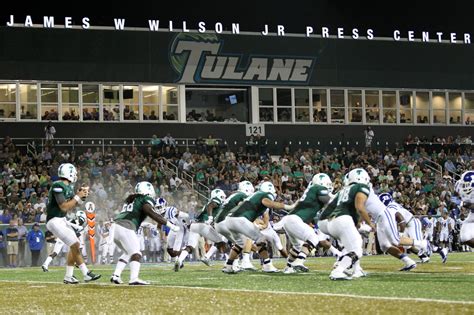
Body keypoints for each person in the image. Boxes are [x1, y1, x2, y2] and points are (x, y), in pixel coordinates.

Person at [110, 181, 179, 285]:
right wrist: (170, 225)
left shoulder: (132, 199)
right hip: (126, 226)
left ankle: (116, 275)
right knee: (136, 253)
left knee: (128, 252)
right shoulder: (145, 198)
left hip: (115, 226)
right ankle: (134, 278)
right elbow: (150, 212)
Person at [45, 163, 101, 284]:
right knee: (75, 244)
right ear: (69, 173)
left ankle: (69, 276)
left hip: (62, 220)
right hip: (54, 220)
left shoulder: (68, 187)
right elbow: (64, 207)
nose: (75, 175)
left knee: (74, 245)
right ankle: (86, 273)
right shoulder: (57, 185)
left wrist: (83, 195)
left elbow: (76, 204)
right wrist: (78, 196)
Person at [319, 168, 375, 280]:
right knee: (357, 250)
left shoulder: (342, 190)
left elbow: (330, 207)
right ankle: (338, 270)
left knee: (352, 246)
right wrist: (371, 224)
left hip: (332, 222)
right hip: (343, 220)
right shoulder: (361, 187)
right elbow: (360, 208)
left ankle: (356, 270)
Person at [455, 171, 474, 248]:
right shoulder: (460, 185)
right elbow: (454, 197)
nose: (465, 186)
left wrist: (462, 203)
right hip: (472, 213)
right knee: (465, 237)